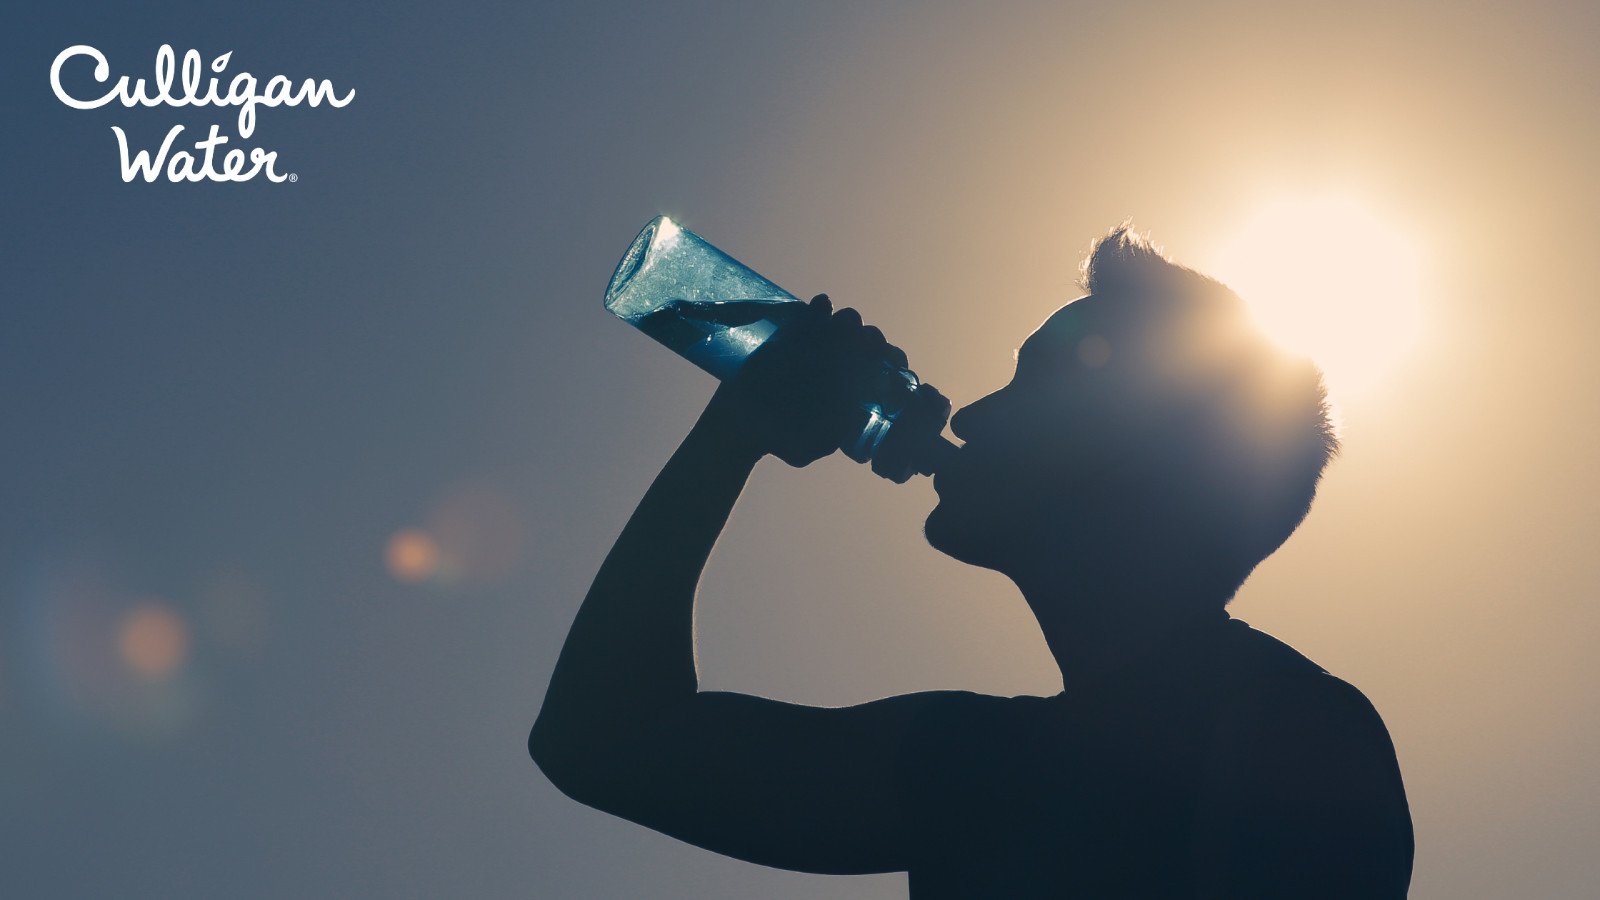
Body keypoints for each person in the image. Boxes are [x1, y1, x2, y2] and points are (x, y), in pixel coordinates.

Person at [529, 226, 1414, 897]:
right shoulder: (980, 761)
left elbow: (605, 743)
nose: (972, 416)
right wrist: (733, 434)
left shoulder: (1292, 743)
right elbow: (600, 744)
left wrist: (731, 442)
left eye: (1033, 385)